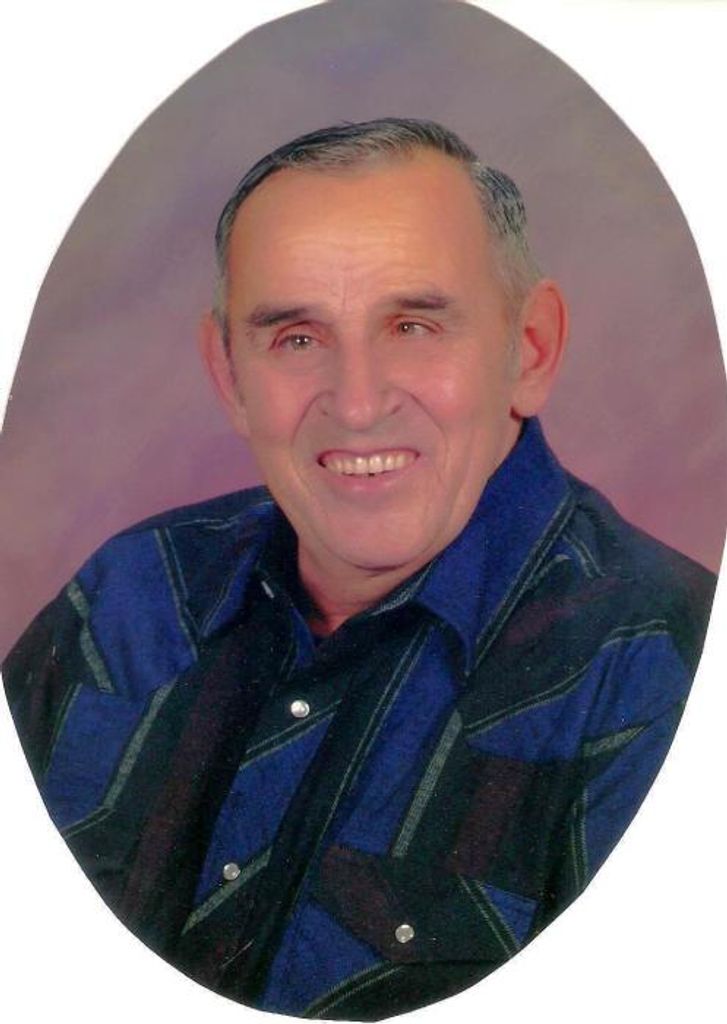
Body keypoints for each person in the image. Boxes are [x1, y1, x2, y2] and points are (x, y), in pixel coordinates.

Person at [2, 118, 715, 1020]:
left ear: (528, 350)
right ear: (229, 373)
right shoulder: (125, 598)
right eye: (296, 339)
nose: (358, 402)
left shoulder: (666, 676)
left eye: (413, 326)